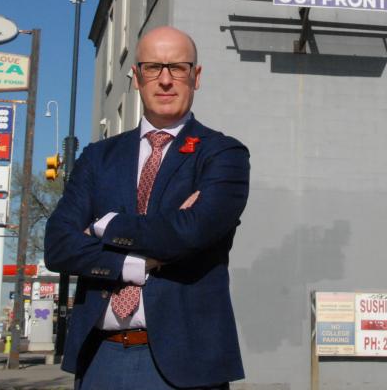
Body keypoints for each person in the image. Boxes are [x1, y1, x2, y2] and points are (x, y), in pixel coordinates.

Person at [45, 26, 250, 389]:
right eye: (153, 68)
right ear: (136, 77)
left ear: (196, 77)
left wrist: (104, 225)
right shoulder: (98, 157)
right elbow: (58, 245)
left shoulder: (222, 155)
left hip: (184, 366)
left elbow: (190, 232)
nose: (166, 80)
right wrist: (135, 263)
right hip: (99, 359)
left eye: (178, 68)